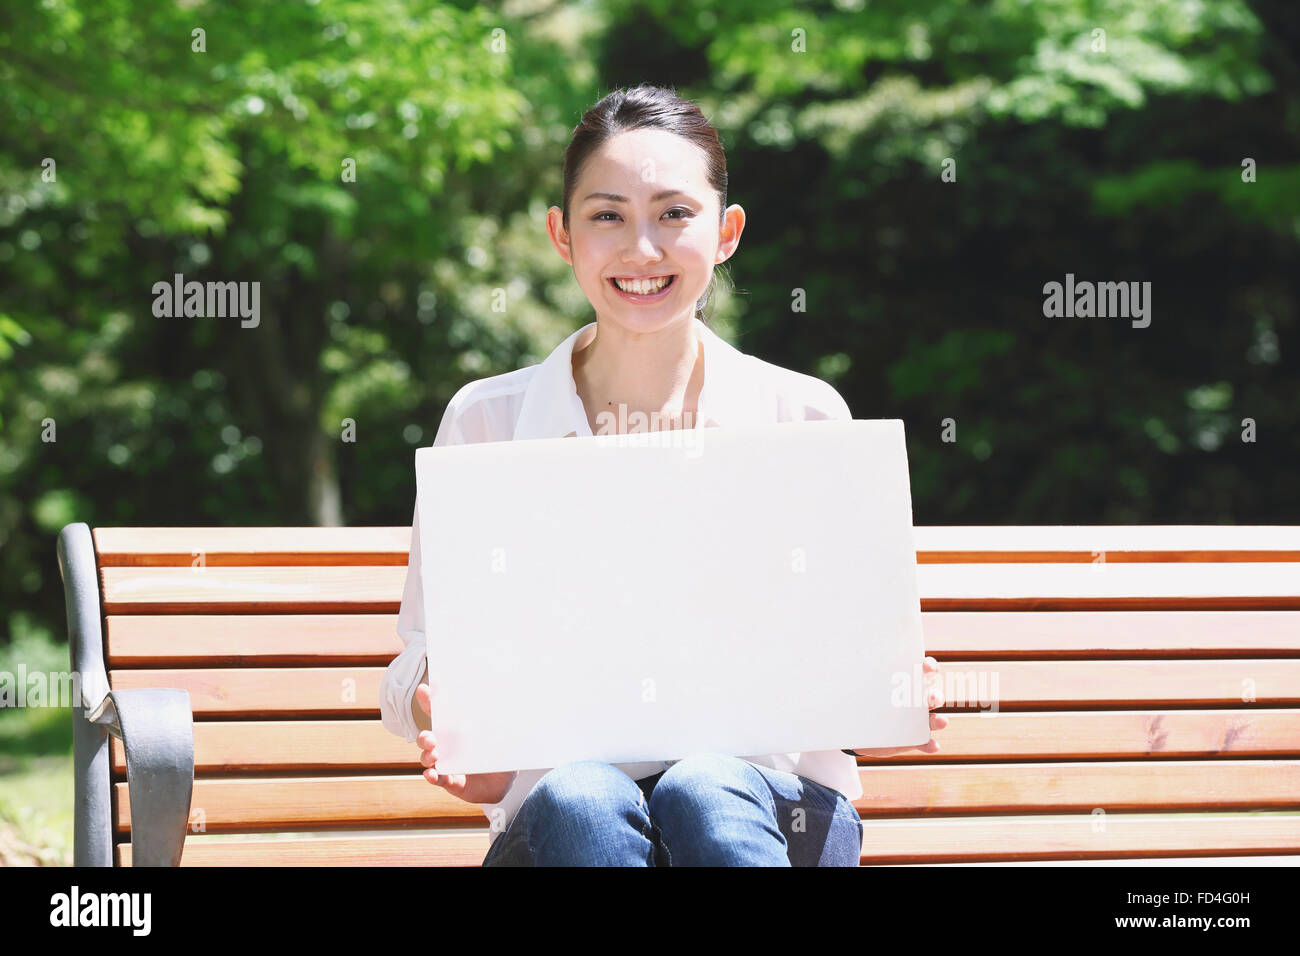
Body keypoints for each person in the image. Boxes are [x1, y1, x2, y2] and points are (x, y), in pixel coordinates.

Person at [379, 83, 948, 866]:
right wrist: (437, 707)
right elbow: (418, 653)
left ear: (726, 232)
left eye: (674, 214)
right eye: (607, 215)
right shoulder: (486, 423)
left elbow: (861, 675)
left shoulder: (805, 418)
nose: (641, 249)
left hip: (772, 814)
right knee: (584, 796)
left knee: (705, 788)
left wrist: (890, 694)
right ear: (561, 234)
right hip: (561, 832)